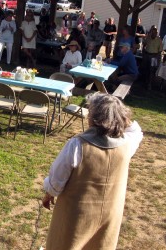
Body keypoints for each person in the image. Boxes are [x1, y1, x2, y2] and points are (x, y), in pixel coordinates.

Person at [43, 93, 143, 250]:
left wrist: (49, 193)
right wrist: (119, 114)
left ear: (94, 117)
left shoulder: (77, 145)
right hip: (110, 212)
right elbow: (136, 131)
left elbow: (57, 179)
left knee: (66, 244)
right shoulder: (126, 145)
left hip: (76, 213)